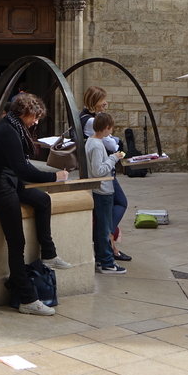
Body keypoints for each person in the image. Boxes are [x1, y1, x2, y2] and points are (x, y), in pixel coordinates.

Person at [0, 91, 71, 316]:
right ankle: (28, 299)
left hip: (9, 181)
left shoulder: (13, 126)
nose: (36, 122)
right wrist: (53, 177)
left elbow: (19, 169)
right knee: (16, 241)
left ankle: (49, 254)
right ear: (25, 112)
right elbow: (22, 168)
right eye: (35, 117)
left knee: (42, 200)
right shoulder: (8, 131)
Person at [80, 86, 130, 261]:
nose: (106, 103)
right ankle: (106, 238)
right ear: (94, 101)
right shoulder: (90, 121)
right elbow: (113, 145)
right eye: (103, 100)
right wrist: (116, 153)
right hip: (103, 175)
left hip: (105, 172)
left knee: (110, 209)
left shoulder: (92, 119)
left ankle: (109, 243)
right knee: (119, 203)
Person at [85, 111, 127, 274]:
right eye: (111, 129)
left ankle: (103, 260)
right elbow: (98, 170)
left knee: (102, 227)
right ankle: (107, 263)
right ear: (107, 128)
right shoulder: (96, 144)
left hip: (100, 189)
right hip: (103, 190)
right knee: (103, 228)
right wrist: (114, 158)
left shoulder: (93, 141)